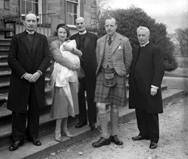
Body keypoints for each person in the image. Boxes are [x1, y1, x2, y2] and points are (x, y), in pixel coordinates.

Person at [7, 12, 51, 151]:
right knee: (19, 110)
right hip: (21, 80)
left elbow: (46, 58)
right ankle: (18, 138)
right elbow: (11, 59)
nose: (31, 23)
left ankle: (34, 135)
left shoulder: (43, 38)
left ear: (37, 22)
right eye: (28, 21)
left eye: (33, 21)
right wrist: (25, 74)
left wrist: (38, 73)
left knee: (34, 108)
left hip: (37, 80)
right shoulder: (16, 38)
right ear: (24, 22)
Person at [92, 17, 133, 148]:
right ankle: (105, 136)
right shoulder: (99, 41)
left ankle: (114, 134)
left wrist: (122, 72)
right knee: (100, 105)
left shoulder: (124, 40)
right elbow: (98, 57)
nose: (109, 28)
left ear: (116, 26)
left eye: (111, 25)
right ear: (104, 27)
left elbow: (128, 60)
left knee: (115, 106)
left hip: (118, 75)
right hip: (102, 74)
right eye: (106, 26)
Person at [129, 26, 164, 149]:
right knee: (140, 111)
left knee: (151, 112)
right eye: (139, 35)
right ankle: (143, 133)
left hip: (150, 87)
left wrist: (155, 86)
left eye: (143, 35)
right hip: (138, 87)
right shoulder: (136, 49)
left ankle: (154, 138)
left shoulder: (155, 49)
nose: (141, 37)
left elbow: (159, 69)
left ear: (148, 36)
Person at [50, 24, 82, 142]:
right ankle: (57, 130)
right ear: (57, 33)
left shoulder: (70, 43)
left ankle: (65, 128)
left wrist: (72, 49)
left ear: (67, 34)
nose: (62, 35)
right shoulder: (54, 44)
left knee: (69, 101)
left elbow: (80, 54)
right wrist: (72, 66)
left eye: (64, 32)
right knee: (61, 102)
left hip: (71, 76)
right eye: (60, 32)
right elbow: (58, 58)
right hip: (60, 76)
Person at [70, 17, 98, 130]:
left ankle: (92, 121)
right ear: (75, 25)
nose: (80, 25)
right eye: (77, 24)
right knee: (80, 96)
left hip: (91, 71)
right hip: (78, 71)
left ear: (84, 23)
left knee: (91, 96)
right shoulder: (72, 38)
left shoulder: (94, 37)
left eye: (81, 23)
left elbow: (98, 53)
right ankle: (82, 120)